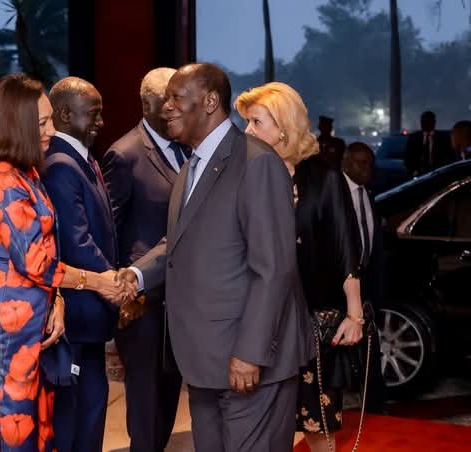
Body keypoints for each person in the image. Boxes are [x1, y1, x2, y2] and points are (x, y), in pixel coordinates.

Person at [120, 64, 312, 452]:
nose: (166, 107)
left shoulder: (257, 163)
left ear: (209, 102)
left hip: (248, 361)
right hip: (204, 361)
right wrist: (135, 275)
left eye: (176, 98)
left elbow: (273, 269)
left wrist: (250, 353)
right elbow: (179, 243)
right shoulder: (191, 166)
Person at [0, 73, 128, 452]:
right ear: (16, 125)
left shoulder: (26, 172)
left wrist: (58, 299)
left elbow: (46, 252)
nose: (51, 130)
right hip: (2, 333)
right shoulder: (1, 178)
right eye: (42, 123)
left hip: (29, 327)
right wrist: (98, 281)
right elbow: (38, 262)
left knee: (37, 435)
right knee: (7, 437)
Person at [235, 81, 364, 452]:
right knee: (258, 422)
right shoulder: (245, 175)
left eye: (256, 122)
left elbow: (345, 247)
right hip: (257, 319)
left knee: (316, 423)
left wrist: (354, 315)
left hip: (311, 323)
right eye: (245, 122)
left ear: (283, 128)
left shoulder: (323, 178)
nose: (247, 131)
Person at [101, 67, 183, 452]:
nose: (175, 106)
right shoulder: (125, 154)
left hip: (180, 300)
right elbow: (109, 232)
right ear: (147, 103)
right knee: (146, 405)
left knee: (168, 397)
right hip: (142, 304)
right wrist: (121, 295)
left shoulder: (187, 148)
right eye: (169, 99)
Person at [42, 76, 120, 452]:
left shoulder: (82, 159)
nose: (101, 122)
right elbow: (77, 243)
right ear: (65, 114)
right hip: (76, 314)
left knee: (90, 411)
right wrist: (116, 286)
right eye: (94, 113)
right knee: (73, 420)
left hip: (90, 314)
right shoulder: (60, 164)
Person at [341, 142, 388, 414]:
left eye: (370, 163)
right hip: (341, 286)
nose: (367, 169)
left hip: (367, 284)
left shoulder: (368, 195)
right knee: (340, 351)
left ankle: (375, 406)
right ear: (346, 164)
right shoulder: (336, 194)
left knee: (371, 346)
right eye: (361, 163)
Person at [404, 110, 454, 176]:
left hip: (438, 173)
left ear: (433, 122)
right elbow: (408, 157)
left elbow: (449, 157)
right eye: (423, 121)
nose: (424, 124)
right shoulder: (414, 138)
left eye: (427, 121)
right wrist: (413, 171)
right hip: (418, 174)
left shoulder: (443, 138)